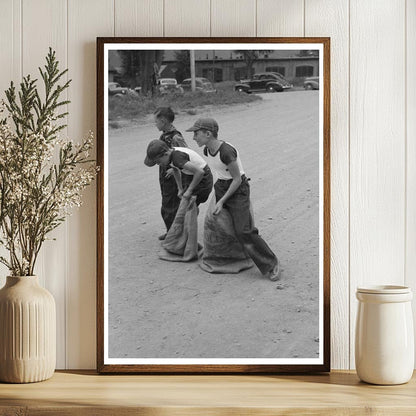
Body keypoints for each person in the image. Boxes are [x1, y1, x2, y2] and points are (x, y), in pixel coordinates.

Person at [186, 117, 281, 281]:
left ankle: (271, 264)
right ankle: (228, 258)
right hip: (222, 186)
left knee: (244, 231)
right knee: (214, 222)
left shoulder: (226, 151)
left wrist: (221, 201)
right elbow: (221, 174)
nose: (194, 137)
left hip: (237, 190)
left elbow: (237, 179)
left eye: (196, 133)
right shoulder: (207, 149)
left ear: (208, 134)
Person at [150, 107, 188, 240]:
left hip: (174, 177)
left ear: (163, 121)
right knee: (166, 205)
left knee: (172, 206)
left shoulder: (176, 137)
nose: (155, 124)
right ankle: (171, 231)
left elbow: (186, 155)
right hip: (165, 176)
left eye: (156, 121)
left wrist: (174, 169)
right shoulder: (163, 135)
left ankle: (176, 235)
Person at [144, 139, 213, 207]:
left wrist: (189, 190)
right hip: (191, 175)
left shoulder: (177, 158)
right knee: (185, 203)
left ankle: (189, 215)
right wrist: (180, 188)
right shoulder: (170, 154)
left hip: (203, 179)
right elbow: (175, 170)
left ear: (166, 154)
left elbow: (200, 172)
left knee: (188, 205)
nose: (159, 164)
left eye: (158, 161)